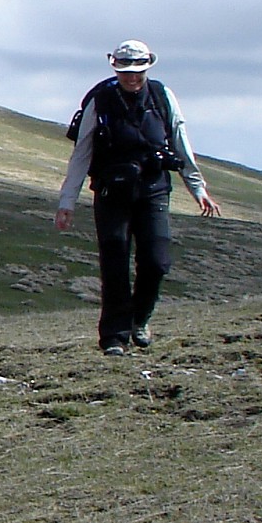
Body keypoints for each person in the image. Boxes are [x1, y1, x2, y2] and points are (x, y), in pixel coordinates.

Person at [55, 39, 221, 353]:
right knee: (114, 263)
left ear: (148, 68)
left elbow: (180, 143)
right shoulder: (100, 100)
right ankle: (114, 337)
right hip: (111, 193)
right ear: (115, 68)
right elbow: (82, 153)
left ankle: (139, 320)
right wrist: (68, 201)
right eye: (125, 70)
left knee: (157, 262)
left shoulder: (162, 97)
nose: (132, 77)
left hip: (153, 190)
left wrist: (197, 188)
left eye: (138, 71)